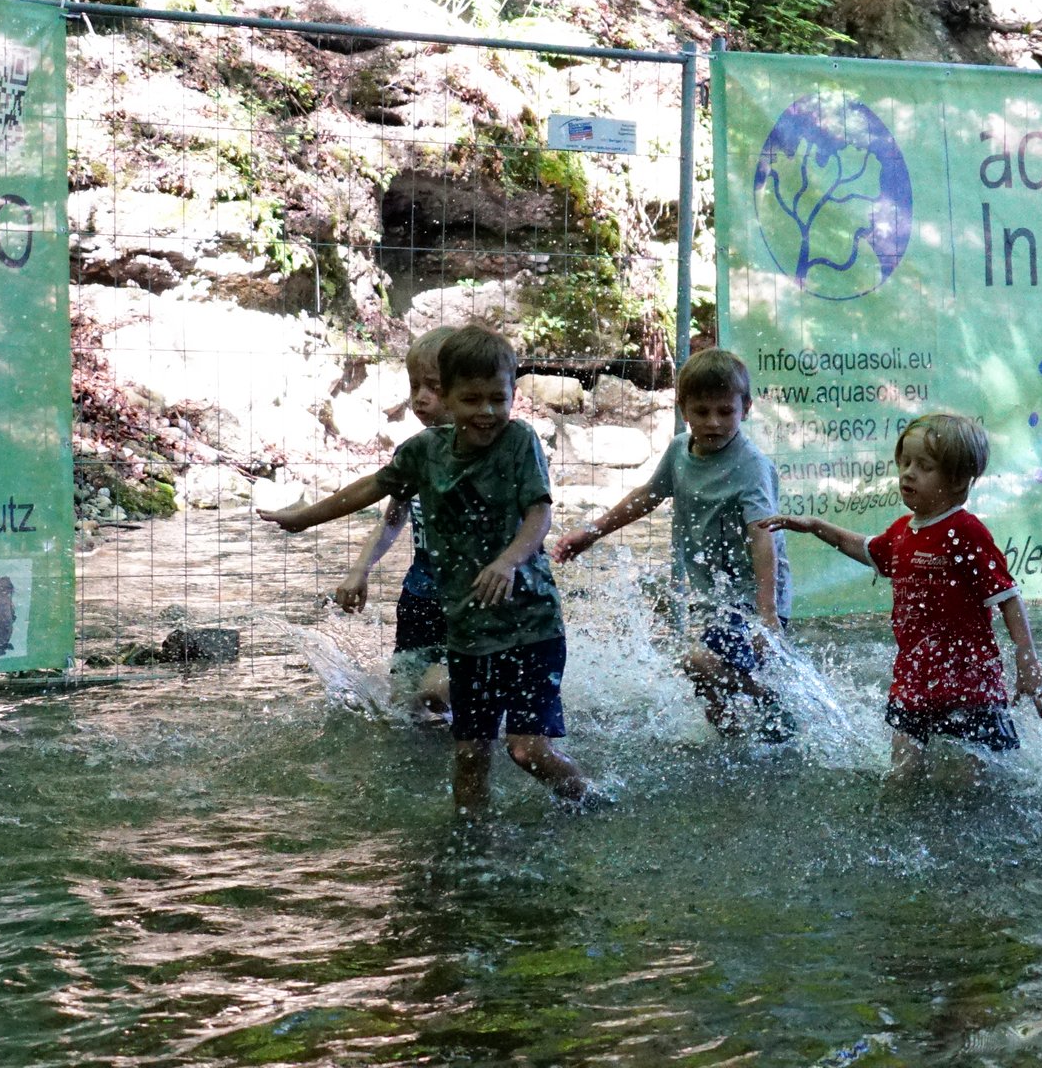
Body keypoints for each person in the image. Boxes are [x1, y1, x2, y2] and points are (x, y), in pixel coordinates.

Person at [261, 326, 591, 814]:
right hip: (468, 632)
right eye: (471, 399)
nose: (486, 411)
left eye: (498, 399)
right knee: (470, 756)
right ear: (449, 399)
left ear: (512, 395)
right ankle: (470, 841)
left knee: (526, 750)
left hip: (530, 625)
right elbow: (372, 488)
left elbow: (539, 514)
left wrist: (507, 561)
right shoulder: (424, 452)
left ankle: (592, 800)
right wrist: (304, 519)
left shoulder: (519, 441)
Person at [757, 412, 1042, 779]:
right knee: (902, 776)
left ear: (957, 480)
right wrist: (815, 526)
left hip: (969, 685)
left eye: (924, 466)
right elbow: (866, 549)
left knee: (969, 784)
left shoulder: (965, 531)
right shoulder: (903, 532)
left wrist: (1027, 662)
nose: (908, 473)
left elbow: (1008, 597)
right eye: (905, 463)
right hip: (914, 682)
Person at [550, 348, 795, 741]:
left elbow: (763, 535)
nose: (713, 422)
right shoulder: (680, 450)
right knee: (712, 688)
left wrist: (767, 616)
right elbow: (646, 496)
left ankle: (772, 703)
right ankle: (741, 738)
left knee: (699, 661)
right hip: (716, 592)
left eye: (725, 411)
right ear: (683, 409)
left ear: (746, 409)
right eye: (702, 411)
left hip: (755, 593)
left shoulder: (750, 466)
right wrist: (590, 532)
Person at [334, 325, 456, 721]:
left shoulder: (487, 456)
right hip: (419, 596)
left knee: (435, 691)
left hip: (466, 601)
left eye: (434, 387)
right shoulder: (413, 452)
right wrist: (360, 570)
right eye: (415, 385)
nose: (421, 397)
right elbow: (392, 518)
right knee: (403, 705)